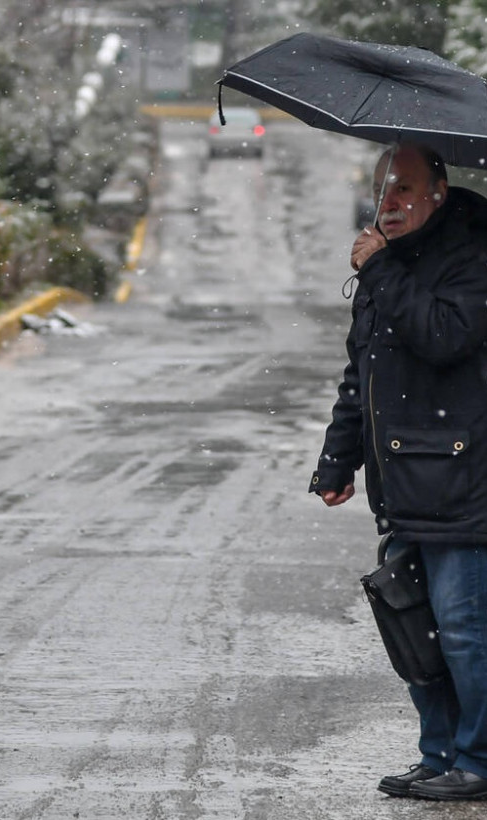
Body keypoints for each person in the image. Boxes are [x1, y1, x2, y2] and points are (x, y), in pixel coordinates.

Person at [310, 141, 487, 801]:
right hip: (404, 484)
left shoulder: (471, 253)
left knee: (464, 633)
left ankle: (479, 759)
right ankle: (439, 756)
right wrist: (338, 458)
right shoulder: (385, 266)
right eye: (381, 188)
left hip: (465, 481)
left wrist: (381, 270)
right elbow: (362, 373)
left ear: (439, 192)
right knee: (415, 630)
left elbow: (444, 335)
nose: (388, 202)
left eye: (404, 188)